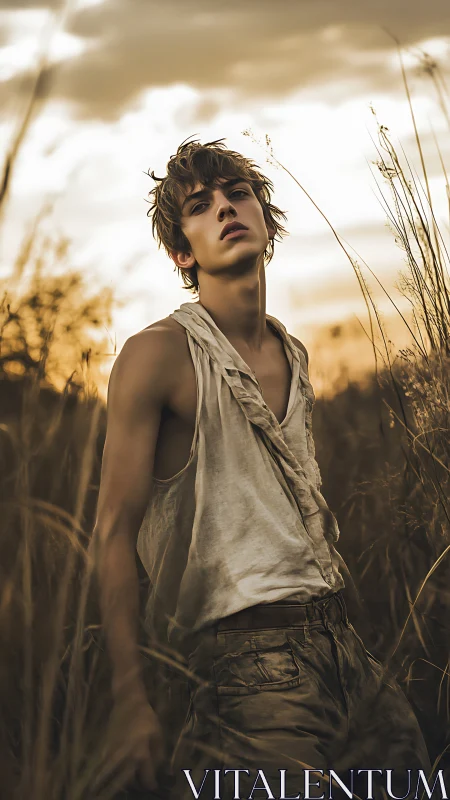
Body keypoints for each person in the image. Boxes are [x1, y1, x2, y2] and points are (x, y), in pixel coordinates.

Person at [93, 138, 431, 799]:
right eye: (200, 204)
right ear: (181, 253)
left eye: (237, 192)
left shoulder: (294, 353)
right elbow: (111, 534)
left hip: (347, 650)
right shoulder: (157, 355)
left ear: (266, 220)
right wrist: (130, 700)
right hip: (249, 667)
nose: (224, 207)